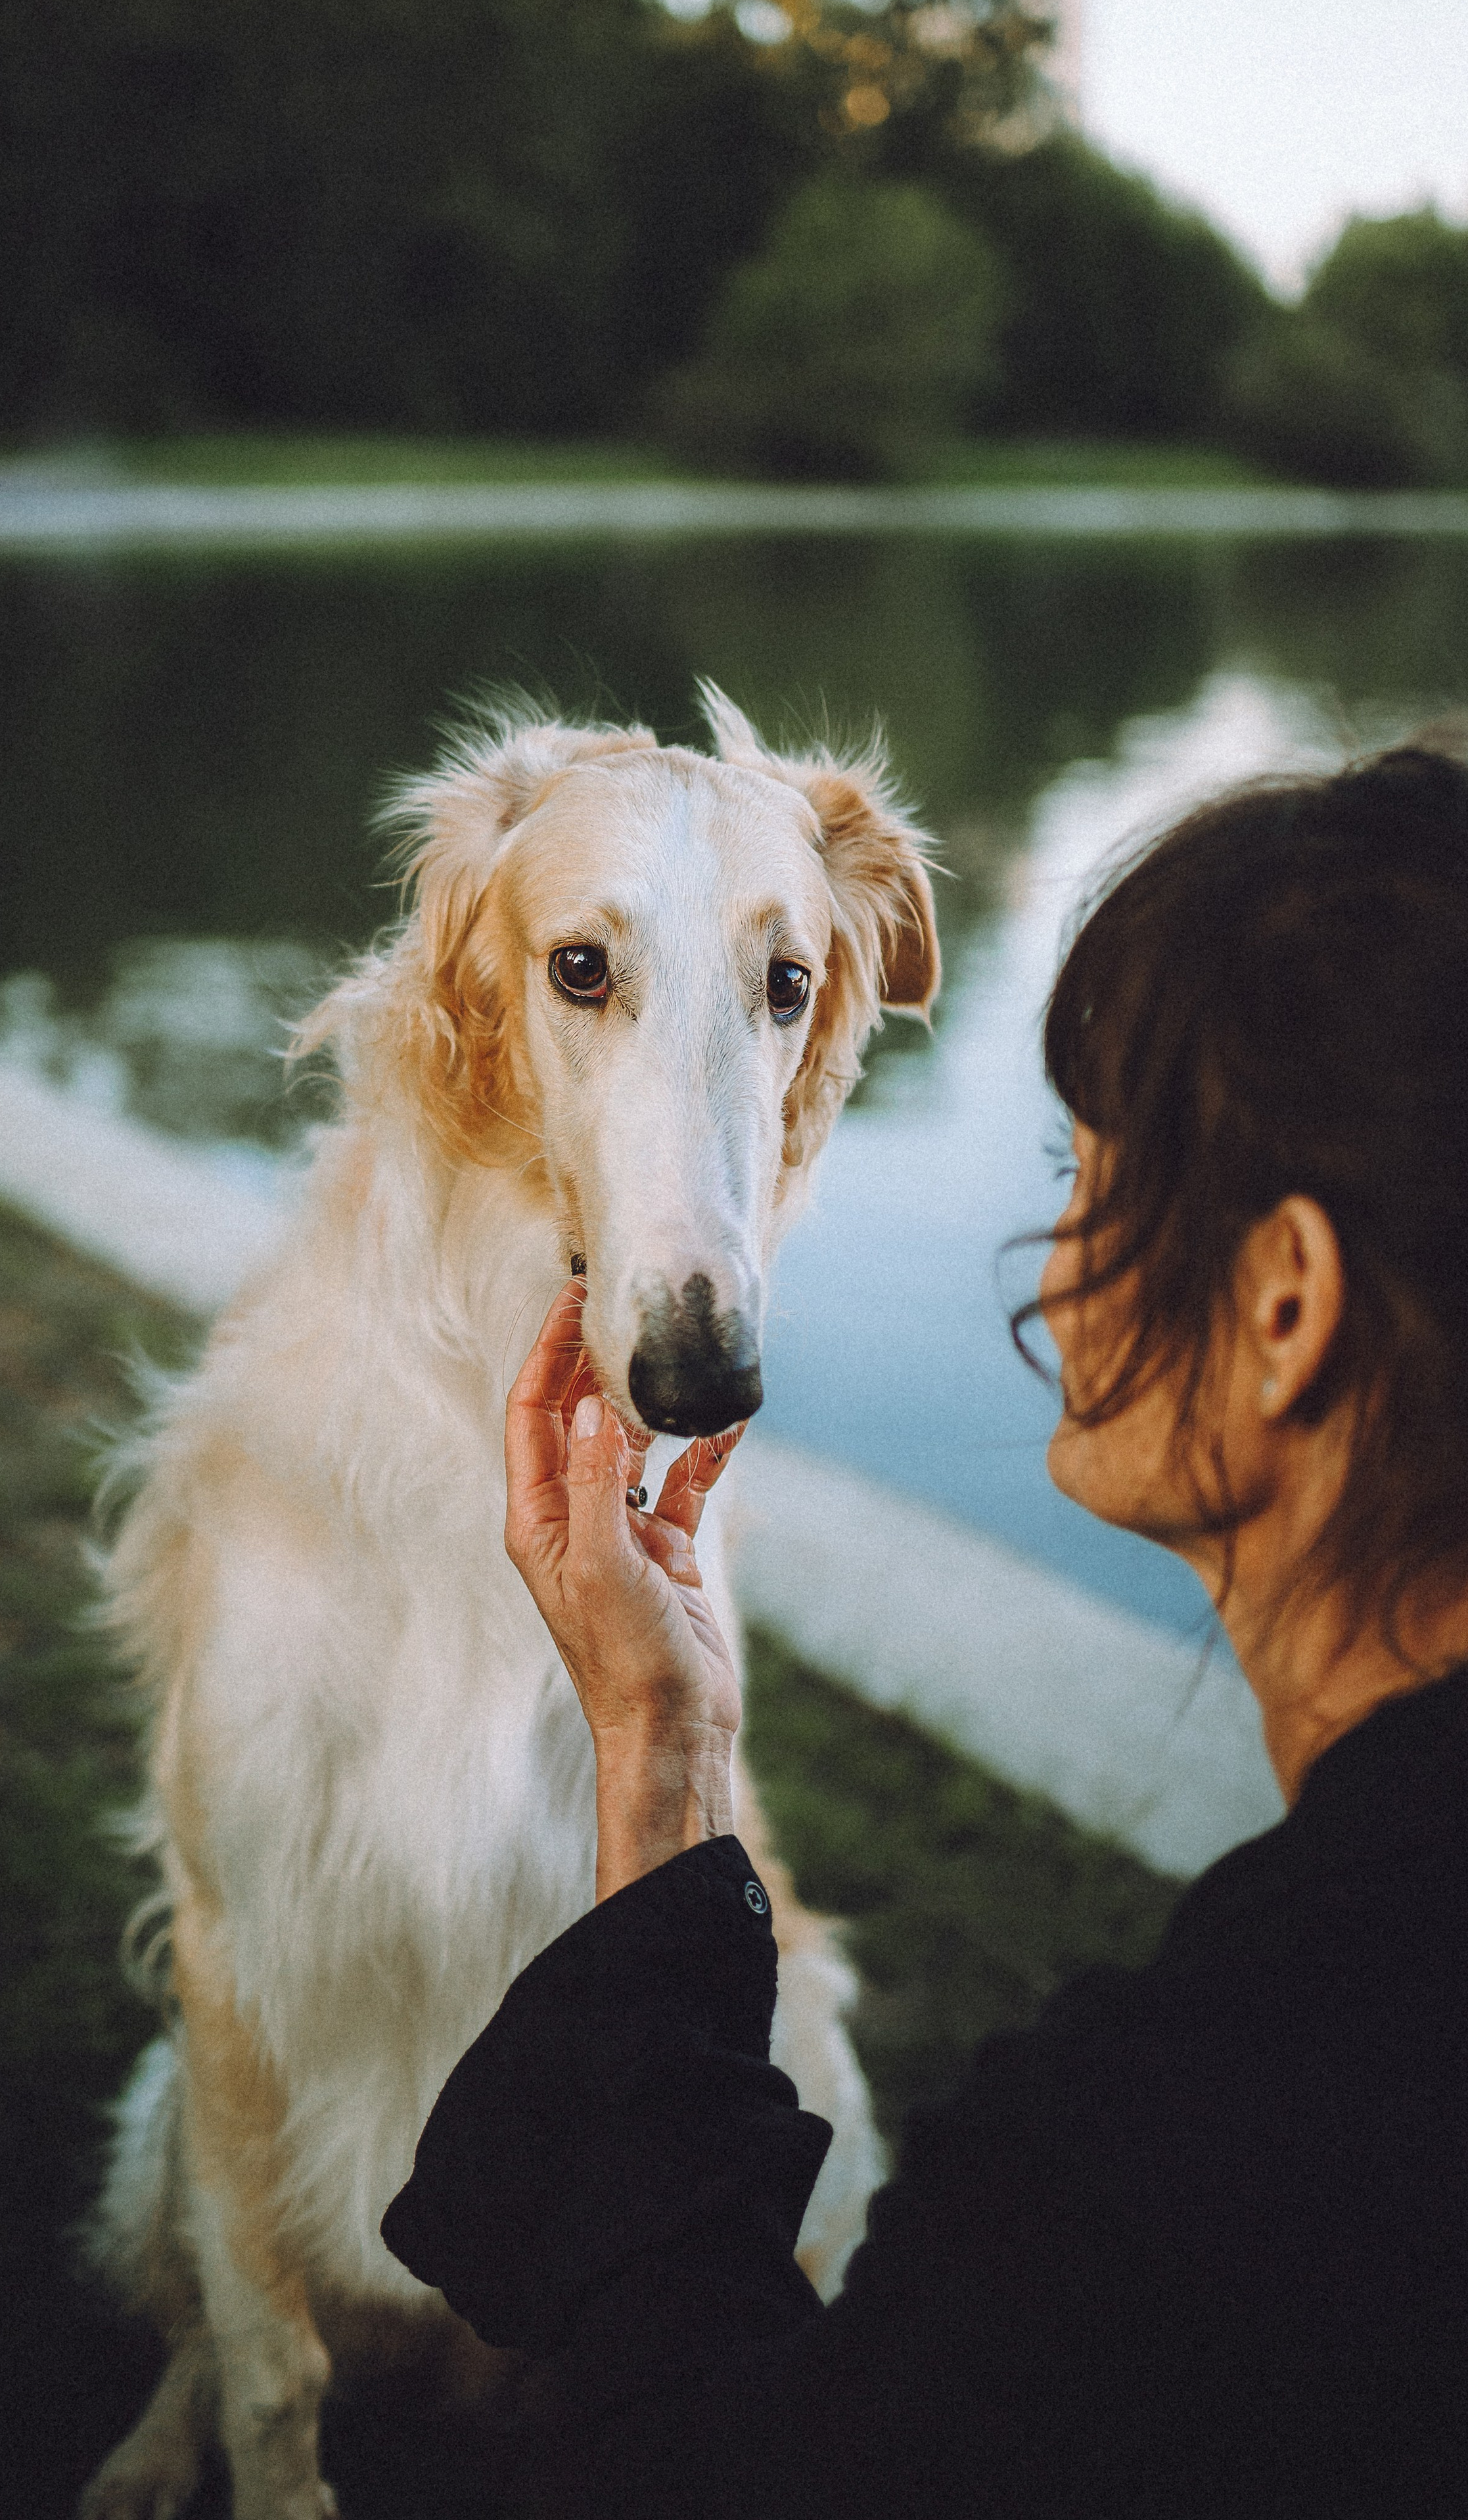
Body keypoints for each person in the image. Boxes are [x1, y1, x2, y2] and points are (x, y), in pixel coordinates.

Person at [382, 743, 1468, 2518]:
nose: (1050, 1264)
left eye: (1097, 1172)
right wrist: (668, 1747)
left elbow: (714, 2467)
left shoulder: (1174, 2157)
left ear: (1287, 1305)